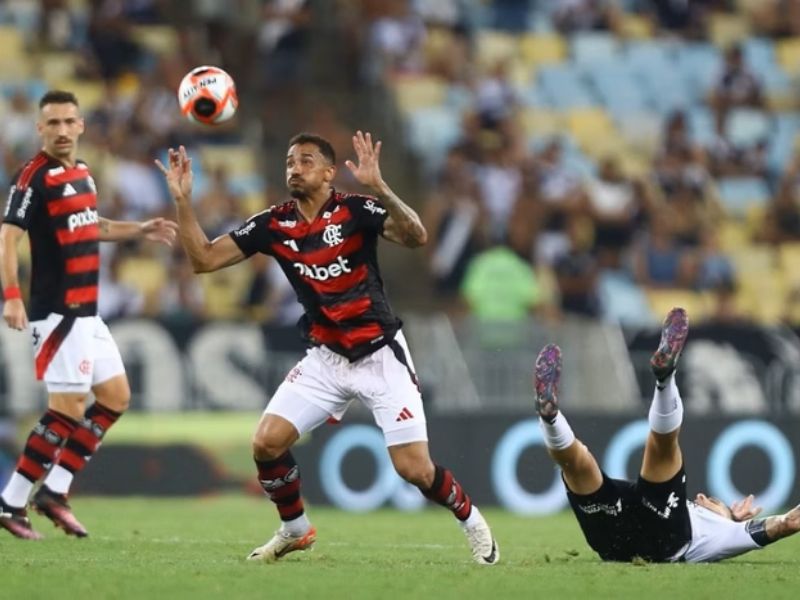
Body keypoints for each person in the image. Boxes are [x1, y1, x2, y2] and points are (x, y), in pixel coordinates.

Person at [155, 132, 499, 565]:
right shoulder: (273, 223)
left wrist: (380, 188)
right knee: (265, 443)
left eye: (305, 161)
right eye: (289, 161)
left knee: (414, 470)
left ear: (328, 173)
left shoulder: (356, 210)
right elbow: (203, 259)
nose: (293, 168)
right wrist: (184, 202)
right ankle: (295, 528)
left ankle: (470, 519)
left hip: (379, 354)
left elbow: (416, 237)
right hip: (326, 359)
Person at [0, 90, 178, 540]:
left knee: (116, 397)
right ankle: (11, 500)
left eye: (69, 122)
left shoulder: (82, 174)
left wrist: (138, 229)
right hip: (56, 312)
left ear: (81, 126)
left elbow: (92, 226)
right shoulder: (31, 178)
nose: (61, 130)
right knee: (67, 408)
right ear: (40, 129)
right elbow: (7, 238)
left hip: (88, 312)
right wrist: (12, 295)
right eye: (53, 123)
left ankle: (53, 492)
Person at [532, 307, 800, 563]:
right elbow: (779, 525)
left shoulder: (722, 532)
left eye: (715, 502)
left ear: (725, 518)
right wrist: (738, 518)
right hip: (633, 538)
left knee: (655, 449)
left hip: (630, 539)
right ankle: (551, 415)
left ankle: (662, 379)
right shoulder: (723, 531)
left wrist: (736, 520)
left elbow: (783, 524)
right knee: (578, 465)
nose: (702, 497)